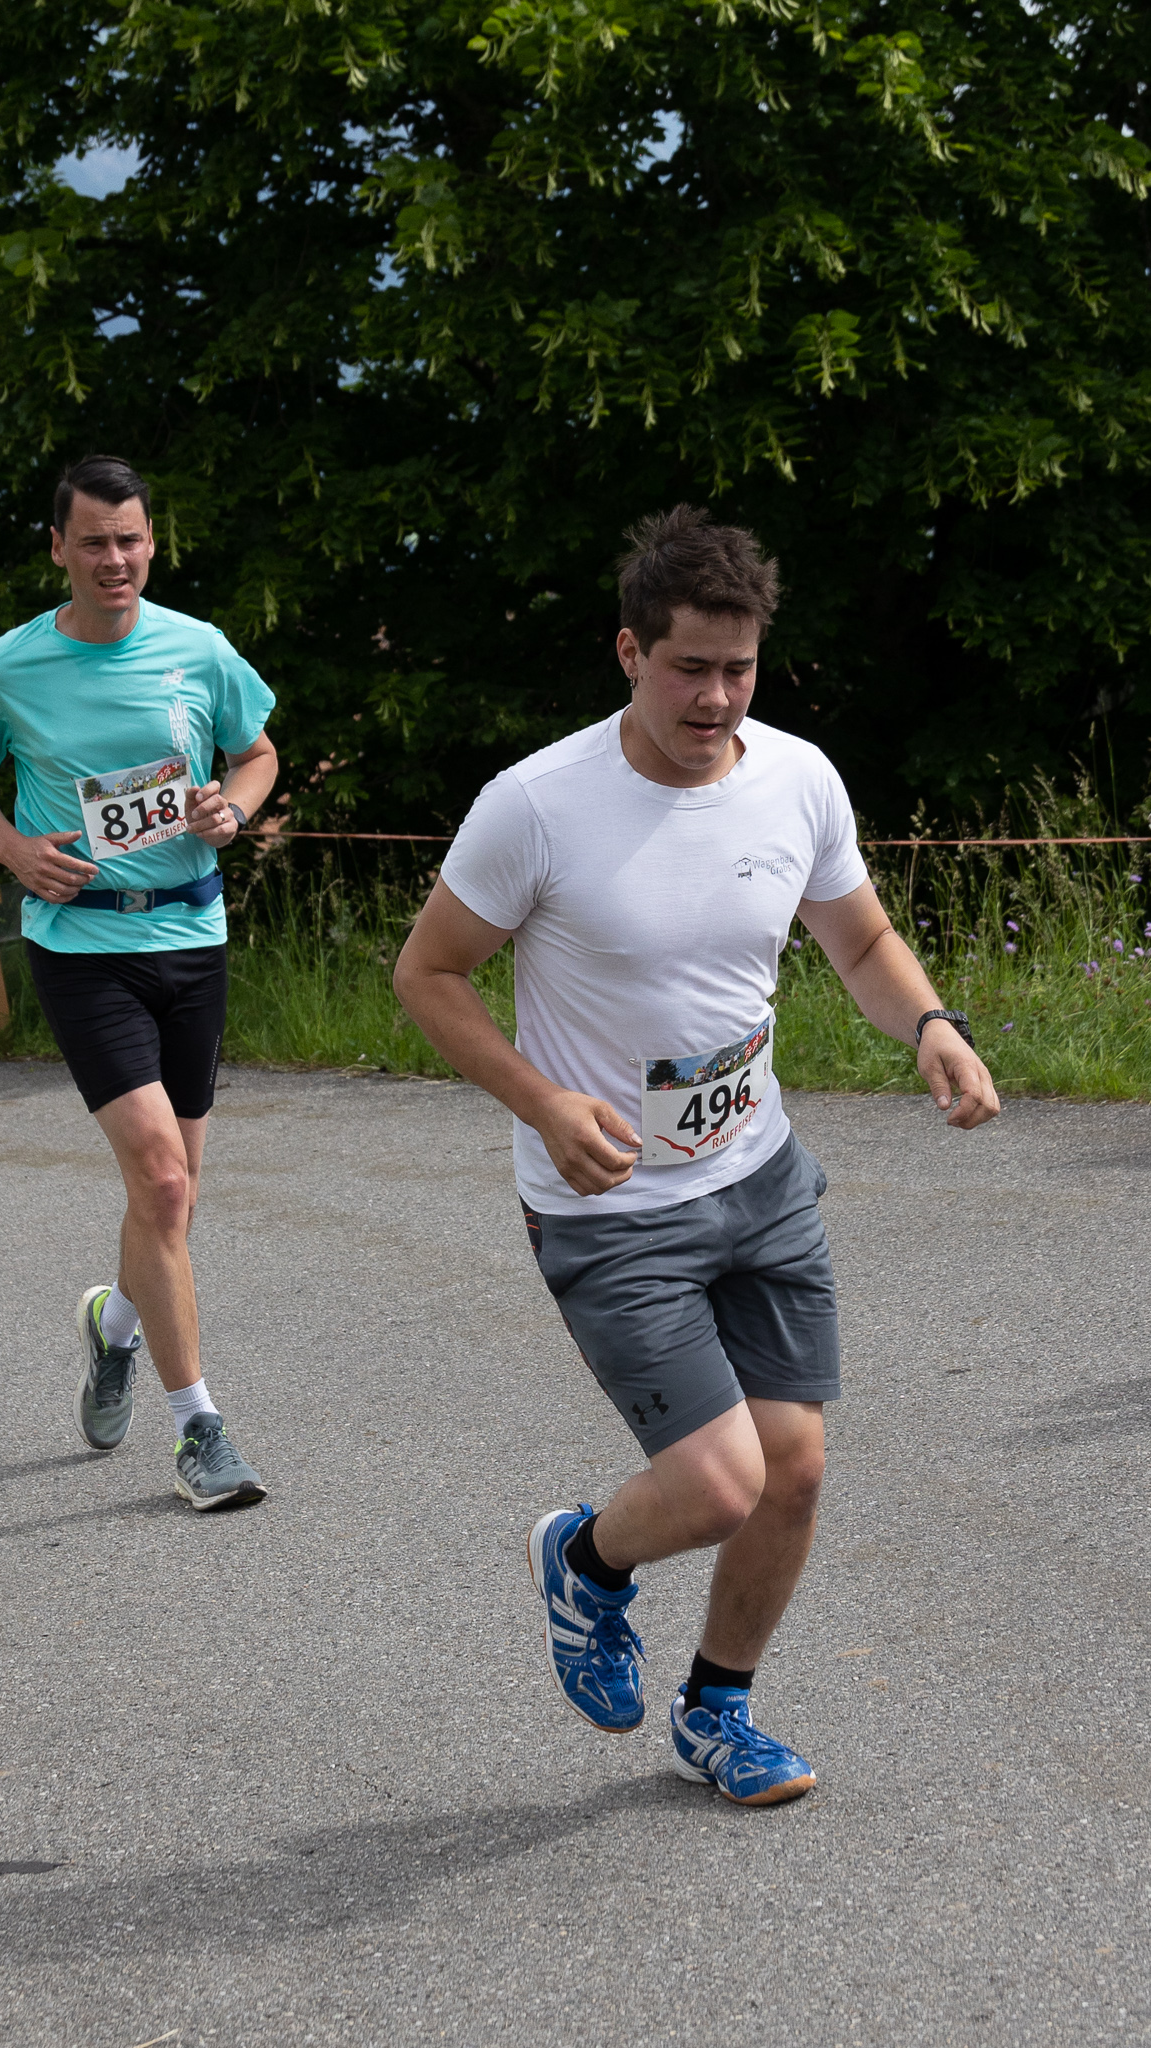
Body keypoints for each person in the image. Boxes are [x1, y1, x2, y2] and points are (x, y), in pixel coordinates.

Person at [394, 505, 999, 1804]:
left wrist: (931, 1025)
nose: (716, 699)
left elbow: (859, 940)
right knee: (722, 1484)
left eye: (738, 669)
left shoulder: (797, 779)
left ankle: (718, 1713)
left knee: (794, 1469)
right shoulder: (538, 806)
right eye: (688, 669)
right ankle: (586, 1559)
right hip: (609, 1205)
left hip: (760, 1176)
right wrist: (543, 1102)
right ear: (630, 651)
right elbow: (428, 974)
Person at [0, 453, 279, 1510]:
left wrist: (232, 808)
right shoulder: (9, 666)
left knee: (173, 1196)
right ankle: (200, 1431)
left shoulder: (198, 648)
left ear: (151, 542)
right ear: (58, 548)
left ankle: (114, 1325)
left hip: (192, 934)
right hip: (82, 947)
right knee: (163, 1185)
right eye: (93, 541)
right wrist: (12, 849)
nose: (114, 558)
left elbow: (258, 753)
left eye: (129, 539)